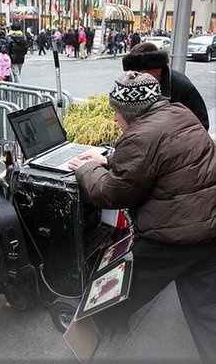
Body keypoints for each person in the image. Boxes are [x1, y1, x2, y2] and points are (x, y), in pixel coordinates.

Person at [68, 71, 216, 364]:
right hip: (209, 226)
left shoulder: (139, 137)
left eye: (116, 114)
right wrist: (108, 160)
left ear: (130, 115)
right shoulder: (179, 113)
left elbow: (111, 193)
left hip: (176, 235)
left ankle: (92, 327)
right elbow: (157, 158)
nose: (113, 120)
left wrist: (85, 168)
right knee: (207, 312)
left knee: (122, 284)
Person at [122, 42, 209, 130]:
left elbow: (202, 125)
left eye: (142, 73)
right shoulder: (136, 82)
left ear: (157, 70)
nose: (137, 76)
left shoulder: (182, 87)